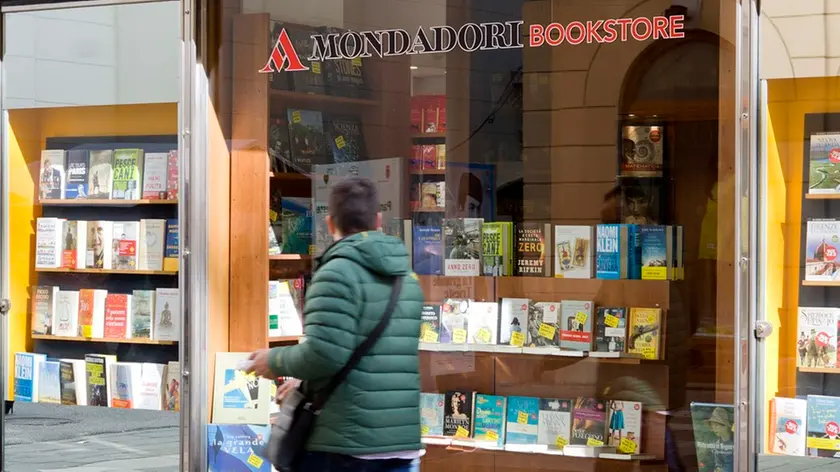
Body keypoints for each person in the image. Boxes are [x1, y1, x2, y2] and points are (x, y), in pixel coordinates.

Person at [247, 176, 424, 472]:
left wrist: (274, 360)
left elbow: (324, 354)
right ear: (378, 220)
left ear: (330, 224)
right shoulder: (406, 279)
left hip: (345, 441)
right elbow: (375, 356)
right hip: (400, 444)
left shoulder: (336, 273)